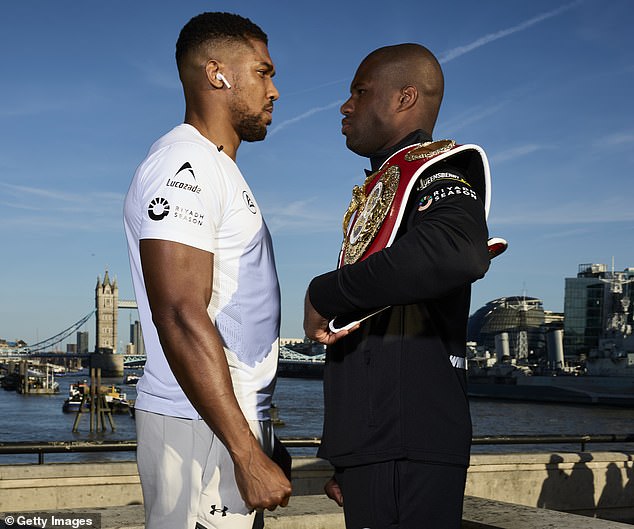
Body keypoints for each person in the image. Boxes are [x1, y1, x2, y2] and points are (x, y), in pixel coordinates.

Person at [304, 43, 492, 529]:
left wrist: (323, 294)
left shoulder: (438, 173)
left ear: (405, 98)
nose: (345, 106)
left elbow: (457, 249)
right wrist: (351, 454)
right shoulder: (389, 182)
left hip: (405, 444)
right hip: (382, 444)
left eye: (360, 92)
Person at [123, 12, 291, 529]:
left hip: (222, 421)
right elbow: (179, 312)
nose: (275, 91)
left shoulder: (216, 167)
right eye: (263, 72)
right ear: (218, 75)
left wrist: (261, 435)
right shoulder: (183, 167)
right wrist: (245, 453)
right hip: (198, 427)